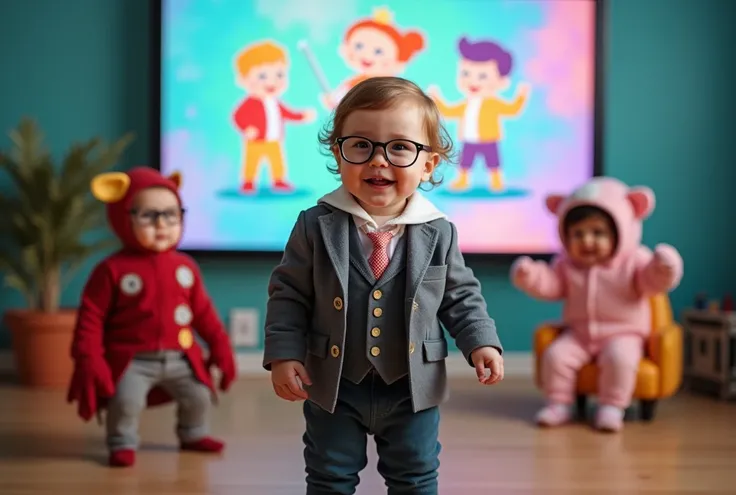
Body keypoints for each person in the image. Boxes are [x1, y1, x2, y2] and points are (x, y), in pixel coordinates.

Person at [262, 76, 505, 494]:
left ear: (428, 164)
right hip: (336, 383)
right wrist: (284, 354)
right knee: (329, 476)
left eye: (400, 147)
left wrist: (481, 342)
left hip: (411, 387)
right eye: (361, 145)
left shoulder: (439, 232)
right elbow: (289, 295)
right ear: (338, 155)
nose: (378, 161)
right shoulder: (314, 225)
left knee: (415, 476)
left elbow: (460, 296)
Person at [67, 167, 237, 467]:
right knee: (125, 400)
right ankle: (122, 441)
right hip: (132, 359)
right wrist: (90, 358)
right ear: (123, 217)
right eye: (148, 215)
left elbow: (203, 313)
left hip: (180, 357)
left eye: (171, 214)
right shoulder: (111, 270)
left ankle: (193, 433)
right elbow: (91, 319)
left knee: (198, 395)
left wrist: (220, 345)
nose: (162, 224)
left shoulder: (185, 267)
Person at [510, 177, 683, 432]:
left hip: (623, 333)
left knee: (620, 360)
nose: (587, 241)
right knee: (556, 357)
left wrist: (664, 267)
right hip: (579, 334)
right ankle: (558, 404)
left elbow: (652, 281)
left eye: (598, 233)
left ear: (620, 233)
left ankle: (612, 406)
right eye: (577, 234)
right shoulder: (566, 265)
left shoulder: (634, 261)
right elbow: (552, 285)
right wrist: (531, 276)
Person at [428, 37, 530, 192]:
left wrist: (521, 96)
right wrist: (437, 99)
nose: (473, 81)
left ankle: (496, 181)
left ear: (502, 81)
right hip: (469, 139)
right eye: (466, 73)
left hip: (489, 139)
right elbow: (449, 111)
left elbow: (512, 109)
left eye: (482, 76)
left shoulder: (493, 103)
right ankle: (462, 180)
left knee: (493, 161)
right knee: (465, 161)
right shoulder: (466, 104)